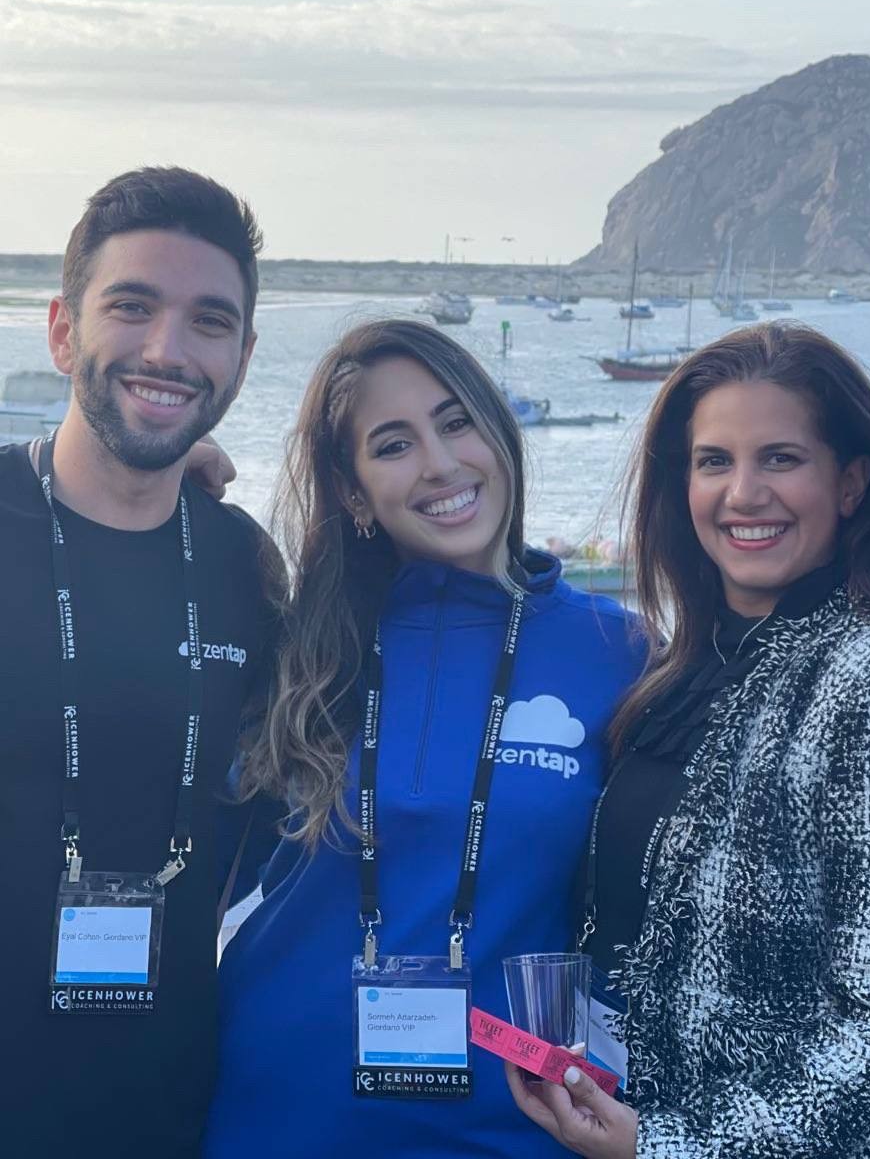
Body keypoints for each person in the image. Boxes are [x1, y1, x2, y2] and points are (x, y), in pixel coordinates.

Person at [202, 318, 646, 1158]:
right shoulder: (299, 647)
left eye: (455, 423)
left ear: (499, 432)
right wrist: (161, 482)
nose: (439, 465)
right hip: (282, 1109)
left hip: (512, 1122)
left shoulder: (618, 652)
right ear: (353, 491)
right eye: (393, 445)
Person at [505, 322, 870, 1157]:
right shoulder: (673, 669)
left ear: (851, 482)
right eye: (713, 461)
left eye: (779, 459)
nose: (742, 493)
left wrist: (668, 1145)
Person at [0, 167, 280, 1158]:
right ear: (62, 330)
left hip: (166, 1112)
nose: (168, 348)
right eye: (132, 306)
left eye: (209, 321)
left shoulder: (246, 564)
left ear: (241, 358)